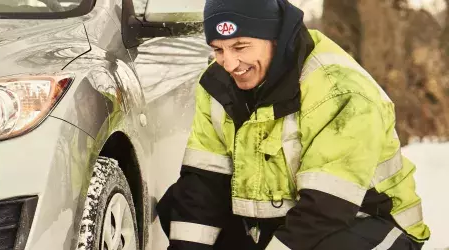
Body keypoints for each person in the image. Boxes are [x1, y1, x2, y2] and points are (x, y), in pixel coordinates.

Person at [156, 0, 431, 249]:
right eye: (218, 49)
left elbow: (325, 209)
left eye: (240, 46)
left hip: (366, 223)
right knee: (178, 207)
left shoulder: (340, 90)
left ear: (274, 37)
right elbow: (203, 184)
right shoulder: (216, 85)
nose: (229, 63)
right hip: (282, 220)